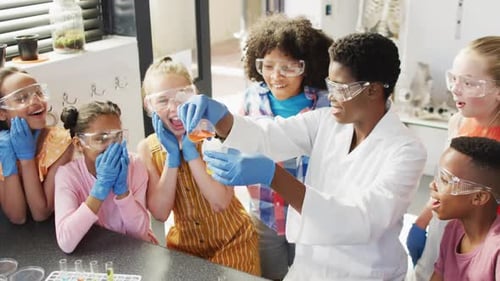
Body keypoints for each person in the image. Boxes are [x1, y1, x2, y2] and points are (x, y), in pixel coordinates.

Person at [179, 32, 427, 280]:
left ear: (372, 90)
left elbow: (360, 221)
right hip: (310, 269)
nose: (331, 95)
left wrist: (273, 175)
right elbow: (269, 135)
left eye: (340, 88)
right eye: (329, 84)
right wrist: (221, 118)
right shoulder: (326, 121)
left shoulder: (406, 151)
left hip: (364, 273)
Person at [136, 57, 260, 276]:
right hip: (185, 249)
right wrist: (173, 158)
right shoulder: (148, 148)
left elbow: (219, 202)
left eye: (181, 97)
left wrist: (191, 152)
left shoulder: (216, 134)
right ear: (149, 105)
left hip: (233, 241)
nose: (174, 108)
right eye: (162, 100)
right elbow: (161, 213)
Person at [239, 14, 332, 280]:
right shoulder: (252, 98)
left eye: (289, 67)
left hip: (310, 213)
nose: (276, 76)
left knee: (308, 273)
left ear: (308, 67)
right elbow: (237, 140)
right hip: (265, 212)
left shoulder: (325, 104)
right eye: (267, 66)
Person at [406, 36, 500, 281]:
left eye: (469, 83)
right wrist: (422, 220)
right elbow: (444, 181)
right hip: (445, 228)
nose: (456, 89)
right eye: (454, 79)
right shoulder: (458, 123)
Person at [54, 100, 156, 253]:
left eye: (117, 137)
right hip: (97, 253)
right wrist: (100, 187)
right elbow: (66, 243)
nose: (111, 146)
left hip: (136, 253)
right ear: (78, 144)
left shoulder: (134, 165)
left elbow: (140, 235)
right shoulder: (68, 175)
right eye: (101, 139)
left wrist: (123, 192)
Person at [0, 67, 73, 224]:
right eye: (21, 98)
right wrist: (8, 159)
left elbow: (41, 213)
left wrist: (26, 159)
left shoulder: (61, 142)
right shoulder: (2, 147)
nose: (36, 101)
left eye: (39, 93)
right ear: (2, 113)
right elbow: (17, 217)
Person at [429, 136, 500, 281]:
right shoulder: (453, 230)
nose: (433, 185)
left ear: (478, 197)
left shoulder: (496, 251)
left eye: (444, 180)